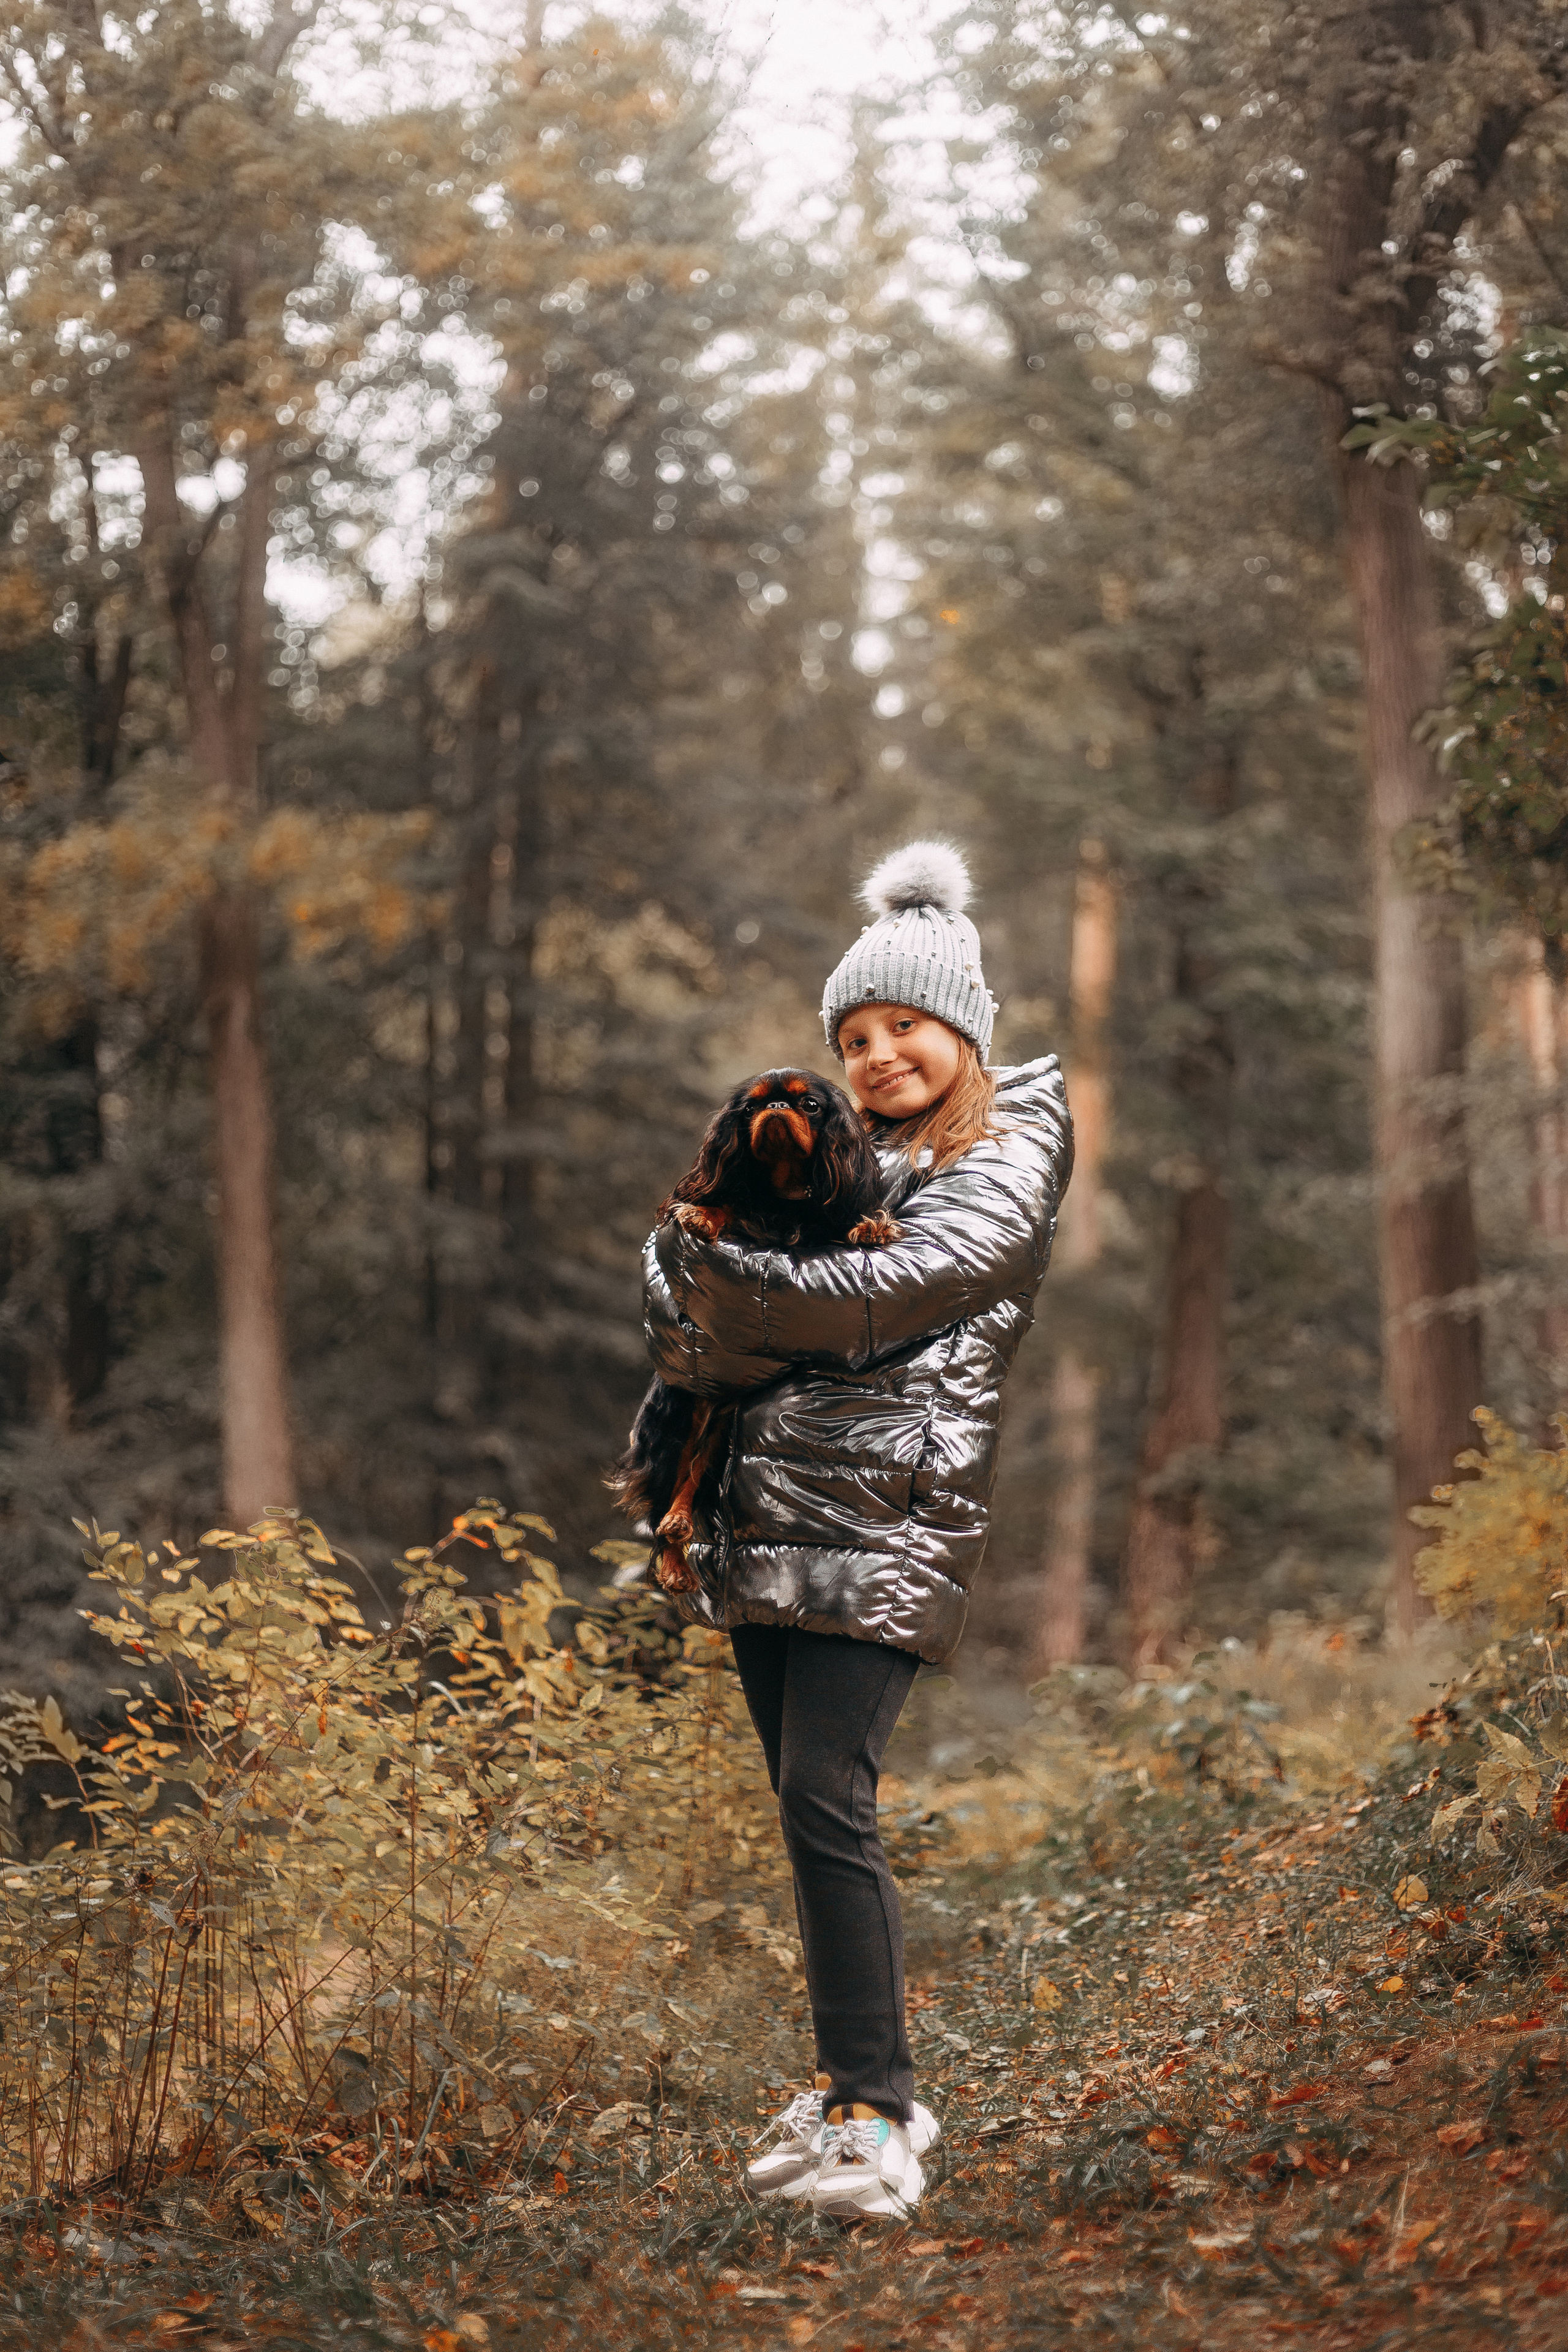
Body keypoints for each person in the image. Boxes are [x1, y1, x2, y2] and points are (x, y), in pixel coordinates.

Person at [642, 839, 1072, 2219]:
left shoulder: (1000, 1159)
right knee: (803, 1806)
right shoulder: (840, 1169)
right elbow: (673, 1308)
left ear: (962, 1032)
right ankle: (850, 2083)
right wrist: (702, 1281)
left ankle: (878, 2120)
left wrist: (712, 1280)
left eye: (904, 1028)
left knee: (830, 1799)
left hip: (883, 1529)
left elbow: (853, 1309)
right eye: (855, 1035)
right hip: (767, 1520)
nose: (878, 1054)